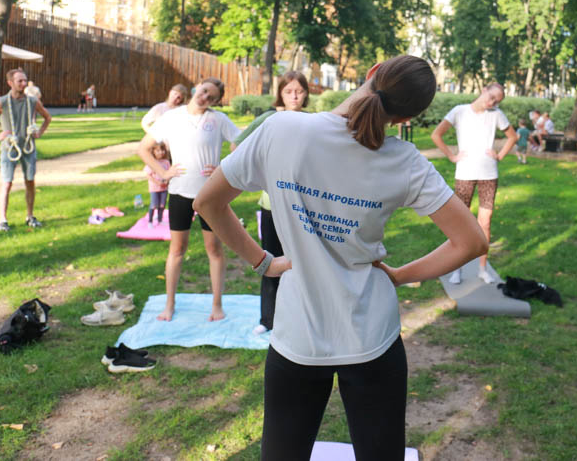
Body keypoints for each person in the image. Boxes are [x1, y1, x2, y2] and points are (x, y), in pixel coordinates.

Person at [194, 54, 488, 460]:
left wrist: (263, 262)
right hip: (372, 336)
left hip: (298, 333)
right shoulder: (405, 161)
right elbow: (471, 241)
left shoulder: (280, 130)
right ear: (406, 118)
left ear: (371, 75)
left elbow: (207, 202)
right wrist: (399, 276)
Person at [138, 77, 241, 322]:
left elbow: (241, 143)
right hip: (179, 192)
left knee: (214, 249)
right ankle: (169, 305)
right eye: (204, 91)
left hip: (210, 196)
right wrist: (163, 173)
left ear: (216, 102)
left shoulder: (218, 119)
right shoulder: (171, 117)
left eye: (212, 97)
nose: (205, 97)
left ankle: (217, 305)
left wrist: (223, 167)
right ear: (197, 88)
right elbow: (144, 147)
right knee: (177, 250)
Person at [233, 70, 309, 335]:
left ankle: (300, 317)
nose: (294, 96)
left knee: (303, 261)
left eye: (299, 90)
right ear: (280, 93)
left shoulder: (313, 122)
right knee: (270, 260)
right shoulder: (268, 119)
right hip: (271, 205)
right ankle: (268, 319)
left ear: (307, 93)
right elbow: (238, 148)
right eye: (288, 91)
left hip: (302, 206)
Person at [431, 82, 517, 285]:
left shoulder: (496, 114)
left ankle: (482, 268)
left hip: (489, 174)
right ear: (484, 90)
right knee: (461, 221)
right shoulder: (459, 111)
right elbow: (436, 135)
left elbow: (512, 137)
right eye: (492, 97)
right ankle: (457, 268)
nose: (492, 102)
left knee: (485, 222)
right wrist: (452, 156)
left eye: (497, 101)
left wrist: (500, 155)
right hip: (465, 174)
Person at [0, 68, 52, 232]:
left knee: (30, 181)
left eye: (25, 80)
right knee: (7, 183)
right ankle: (3, 220)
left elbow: (47, 117)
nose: (24, 84)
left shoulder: (32, 101)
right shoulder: (2, 102)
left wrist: (39, 132)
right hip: (9, 148)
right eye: (20, 81)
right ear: (10, 83)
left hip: (28, 147)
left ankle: (30, 216)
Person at [144, 142, 171, 227]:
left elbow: (169, 173)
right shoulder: (152, 162)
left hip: (164, 188)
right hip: (154, 189)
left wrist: (167, 181)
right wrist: (158, 183)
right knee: (154, 205)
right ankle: (150, 222)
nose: (161, 152)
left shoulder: (166, 162)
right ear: (153, 151)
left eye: (162, 150)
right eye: (158, 150)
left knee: (162, 205)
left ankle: (160, 220)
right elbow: (147, 175)